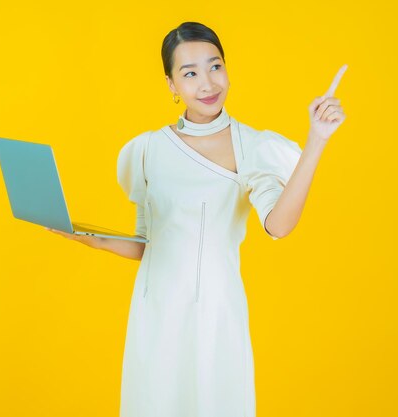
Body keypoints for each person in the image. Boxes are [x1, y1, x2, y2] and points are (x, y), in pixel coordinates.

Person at [47, 21, 346, 417]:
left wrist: (317, 140)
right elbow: (147, 243)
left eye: (215, 66)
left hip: (216, 313)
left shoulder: (252, 146)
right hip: (156, 312)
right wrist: (90, 238)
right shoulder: (147, 150)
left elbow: (279, 225)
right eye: (189, 73)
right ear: (171, 84)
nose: (207, 83)